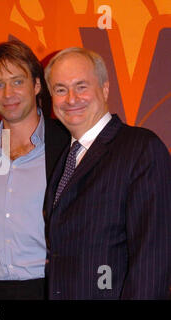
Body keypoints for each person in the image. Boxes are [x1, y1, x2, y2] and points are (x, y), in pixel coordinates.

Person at [43, 47, 171, 299]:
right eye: (60, 89)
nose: (71, 99)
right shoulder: (68, 156)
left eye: (81, 86)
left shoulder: (141, 148)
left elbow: (153, 257)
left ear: (104, 88)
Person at [0, 40, 69, 300]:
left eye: (17, 81)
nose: (8, 93)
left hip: (48, 288)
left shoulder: (67, 144)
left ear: (37, 85)